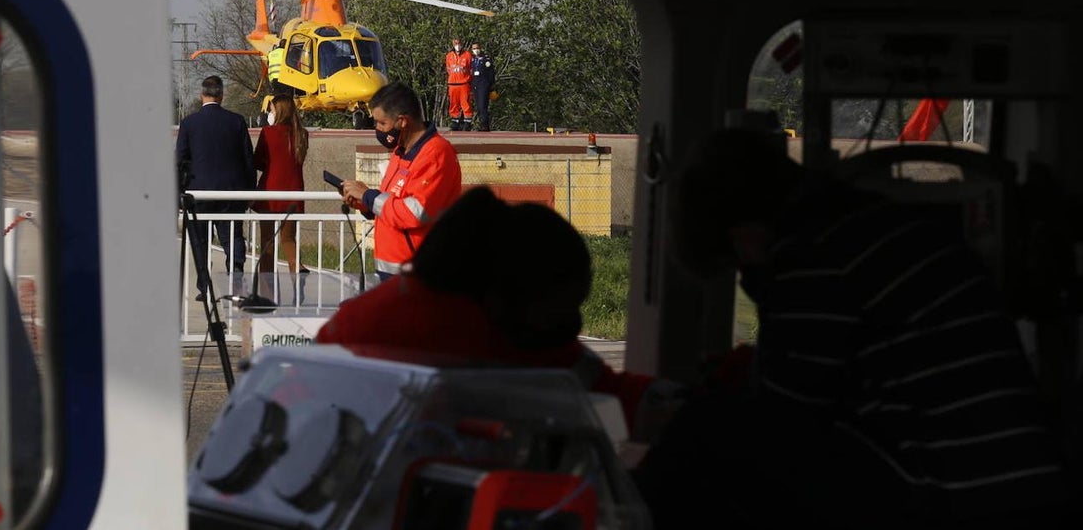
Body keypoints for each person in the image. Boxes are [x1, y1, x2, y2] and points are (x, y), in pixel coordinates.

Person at [631, 126, 1068, 530]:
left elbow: (783, 422)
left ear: (744, 232)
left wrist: (685, 418)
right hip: (1016, 489)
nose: (747, 273)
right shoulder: (884, 226)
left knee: (703, 428)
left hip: (948, 497)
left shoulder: (812, 258)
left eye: (738, 261)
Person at [316, 186, 677, 439]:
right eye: (561, 309)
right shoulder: (474, 336)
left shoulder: (370, 318)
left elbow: (593, 382)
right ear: (510, 292)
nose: (571, 325)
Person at [338, 81, 462, 282]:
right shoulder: (400, 152)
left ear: (403, 121)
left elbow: (416, 212)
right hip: (393, 271)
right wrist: (366, 204)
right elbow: (393, 204)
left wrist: (369, 196)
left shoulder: (436, 154)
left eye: (382, 123)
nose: (377, 129)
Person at [175, 76, 256, 294]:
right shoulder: (236, 121)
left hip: (199, 192)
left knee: (200, 241)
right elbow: (248, 158)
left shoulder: (189, 123)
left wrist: (179, 194)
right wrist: (250, 190)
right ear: (221, 95)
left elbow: (180, 160)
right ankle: (236, 278)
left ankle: (204, 285)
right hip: (232, 192)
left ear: (202, 95)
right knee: (233, 237)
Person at [252, 95, 309, 303]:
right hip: (294, 192)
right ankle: (297, 269)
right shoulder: (301, 134)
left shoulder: (268, 132)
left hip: (270, 192)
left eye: (271, 110)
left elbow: (258, 161)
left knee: (267, 243)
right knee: (288, 239)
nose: (270, 113)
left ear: (278, 111)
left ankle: (268, 296)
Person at [444, 36, 474, 131]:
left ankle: (467, 122)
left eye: (459, 43)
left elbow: (471, 69)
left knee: (466, 103)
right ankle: (455, 122)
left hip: (464, 83)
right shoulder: (449, 56)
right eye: (455, 43)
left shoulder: (467, 55)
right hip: (453, 84)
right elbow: (448, 69)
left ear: (462, 44)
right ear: (453, 44)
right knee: (453, 103)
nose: (457, 45)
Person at [469, 42, 496, 131]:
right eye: (474, 49)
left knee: (483, 105)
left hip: (484, 84)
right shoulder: (472, 60)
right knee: (478, 106)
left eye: (477, 48)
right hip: (475, 84)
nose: (476, 50)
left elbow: (491, 73)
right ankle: (482, 124)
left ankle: (485, 125)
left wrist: (492, 85)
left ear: (480, 48)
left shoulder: (486, 59)